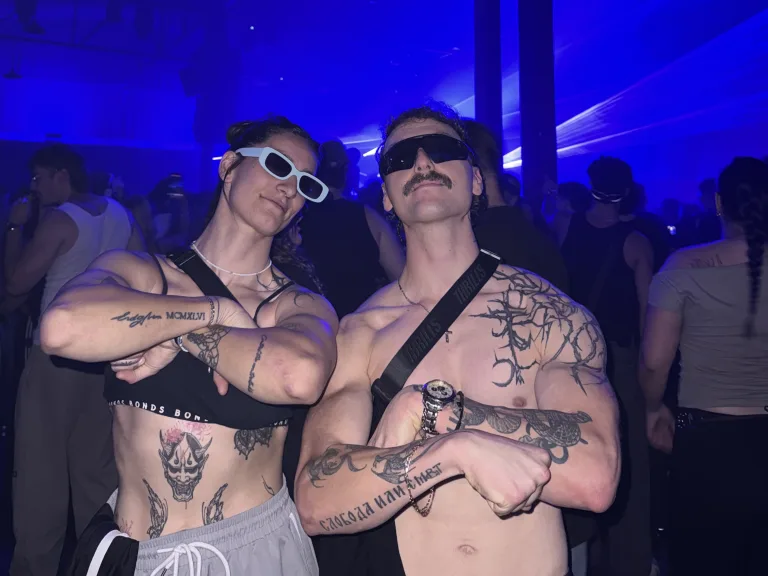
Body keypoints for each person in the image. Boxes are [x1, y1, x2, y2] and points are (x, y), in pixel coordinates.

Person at [295, 104, 620, 576]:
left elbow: (594, 478)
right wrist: (455, 449)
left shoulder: (547, 315)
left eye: (441, 150)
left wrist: (436, 410)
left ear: (477, 180)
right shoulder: (360, 334)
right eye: (401, 158)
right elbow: (314, 502)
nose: (422, 163)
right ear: (387, 197)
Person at [39, 118, 338, 575]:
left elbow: (298, 376)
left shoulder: (294, 304)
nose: (289, 188)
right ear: (230, 166)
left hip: (251, 553)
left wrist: (172, 332)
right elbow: (62, 328)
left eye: (305, 183)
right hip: (135, 553)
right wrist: (215, 311)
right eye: (278, 165)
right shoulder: (144, 273)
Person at [7, 144, 143, 576]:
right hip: (105, 359)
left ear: (61, 176)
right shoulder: (122, 215)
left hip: (57, 360)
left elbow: (15, 283)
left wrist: (14, 227)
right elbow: (147, 278)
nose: (34, 187)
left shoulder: (60, 219)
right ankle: (99, 567)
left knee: (40, 477)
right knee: (97, 479)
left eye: (39, 177)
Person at [640, 157, 768, 576]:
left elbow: (654, 361)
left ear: (718, 203)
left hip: (708, 440)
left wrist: (652, 409)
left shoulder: (683, 267)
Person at [558, 156, 654, 576]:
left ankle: (582, 553)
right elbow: (648, 313)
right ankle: (629, 562)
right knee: (625, 457)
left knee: (574, 451)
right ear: (627, 191)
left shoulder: (566, 226)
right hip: (618, 361)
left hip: (569, 358)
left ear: (591, 184)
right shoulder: (636, 242)